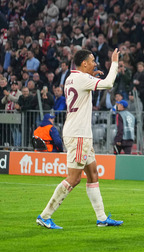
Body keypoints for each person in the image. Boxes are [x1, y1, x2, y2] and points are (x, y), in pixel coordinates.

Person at [36, 48, 123, 229]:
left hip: (80, 133)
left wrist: (92, 76)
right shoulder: (83, 79)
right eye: (92, 61)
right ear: (84, 63)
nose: (94, 64)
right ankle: (45, 215)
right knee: (74, 178)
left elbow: (88, 85)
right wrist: (114, 62)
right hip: (78, 135)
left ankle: (101, 217)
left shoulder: (71, 78)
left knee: (93, 174)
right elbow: (108, 84)